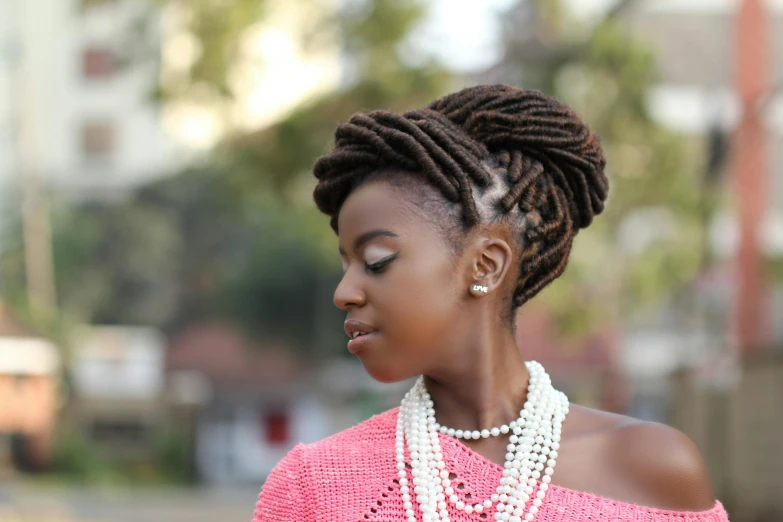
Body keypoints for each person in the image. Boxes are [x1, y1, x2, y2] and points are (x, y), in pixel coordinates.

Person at [252, 85, 730, 522]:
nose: (344, 292)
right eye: (345, 265)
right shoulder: (310, 490)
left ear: (485, 265)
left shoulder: (654, 470)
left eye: (376, 261)